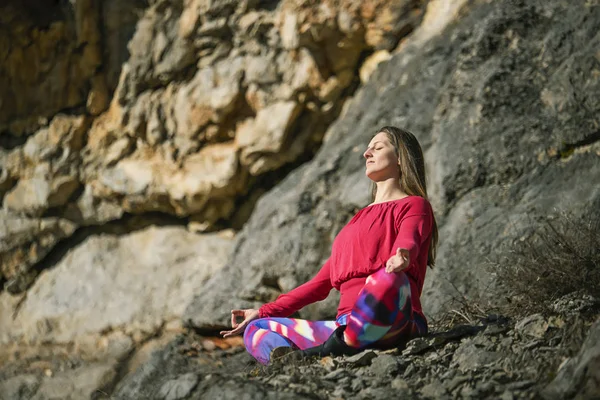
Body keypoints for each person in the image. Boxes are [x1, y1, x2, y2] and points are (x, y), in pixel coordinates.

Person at [220, 126, 439, 365]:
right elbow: (318, 285)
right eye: (367, 148)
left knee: (388, 280)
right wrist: (262, 311)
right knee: (257, 328)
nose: (367, 153)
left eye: (377, 147)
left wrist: (403, 254)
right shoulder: (354, 223)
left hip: (397, 320)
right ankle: (294, 359)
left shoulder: (414, 205)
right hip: (344, 326)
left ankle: (334, 347)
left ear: (400, 157)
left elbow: (410, 237)